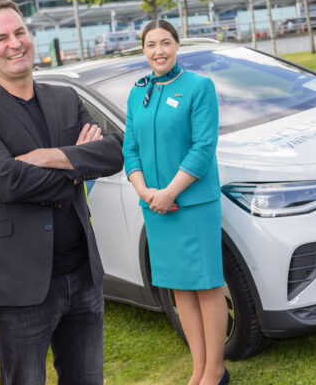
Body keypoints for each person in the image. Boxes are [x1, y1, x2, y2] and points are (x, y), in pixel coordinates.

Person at [0, 0, 123, 385]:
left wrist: (49, 156)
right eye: (1, 38)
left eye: (20, 32)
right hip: (19, 284)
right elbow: (9, 181)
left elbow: (113, 152)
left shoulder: (65, 97)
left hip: (82, 275)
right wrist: (77, 164)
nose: (15, 43)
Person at [123, 20, 229, 385]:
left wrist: (169, 192)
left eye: (165, 42)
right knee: (180, 287)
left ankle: (215, 370)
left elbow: (203, 148)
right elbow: (130, 148)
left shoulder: (199, 87)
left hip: (192, 205)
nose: (159, 51)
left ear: (178, 45)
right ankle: (198, 369)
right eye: (151, 44)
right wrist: (144, 191)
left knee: (207, 285)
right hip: (155, 206)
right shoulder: (138, 92)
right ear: (144, 50)